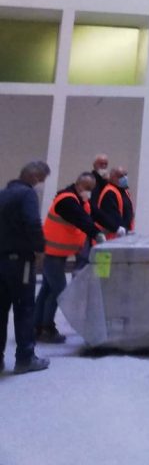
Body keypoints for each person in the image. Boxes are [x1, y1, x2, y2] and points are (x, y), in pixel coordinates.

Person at [34, 171, 107, 343]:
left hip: (57, 254)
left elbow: (95, 214)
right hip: (51, 253)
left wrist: (116, 226)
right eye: (87, 188)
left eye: (91, 189)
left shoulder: (80, 200)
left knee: (47, 290)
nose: (89, 192)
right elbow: (81, 219)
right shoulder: (66, 200)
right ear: (78, 184)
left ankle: (37, 327)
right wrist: (96, 234)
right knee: (60, 292)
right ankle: (46, 328)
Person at [0, 160, 51, 374]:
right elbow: (32, 223)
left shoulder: (2, 193)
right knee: (24, 309)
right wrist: (40, 249)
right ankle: (25, 358)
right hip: (20, 262)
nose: (40, 183)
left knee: (0, 311)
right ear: (33, 176)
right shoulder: (27, 194)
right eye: (41, 179)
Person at [74, 154, 110, 270]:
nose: (103, 166)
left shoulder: (107, 184)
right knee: (83, 259)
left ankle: (101, 285)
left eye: (105, 164)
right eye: (101, 163)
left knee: (102, 261)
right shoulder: (87, 180)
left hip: (102, 227)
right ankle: (79, 286)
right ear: (94, 165)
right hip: (86, 226)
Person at [94, 166, 132, 239]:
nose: (125, 178)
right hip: (111, 238)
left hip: (121, 237)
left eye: (126, 175)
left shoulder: (124, 192)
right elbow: (112, 217)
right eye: (121, 176)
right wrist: (123, 230)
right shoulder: (110, 193)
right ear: (113, 177)